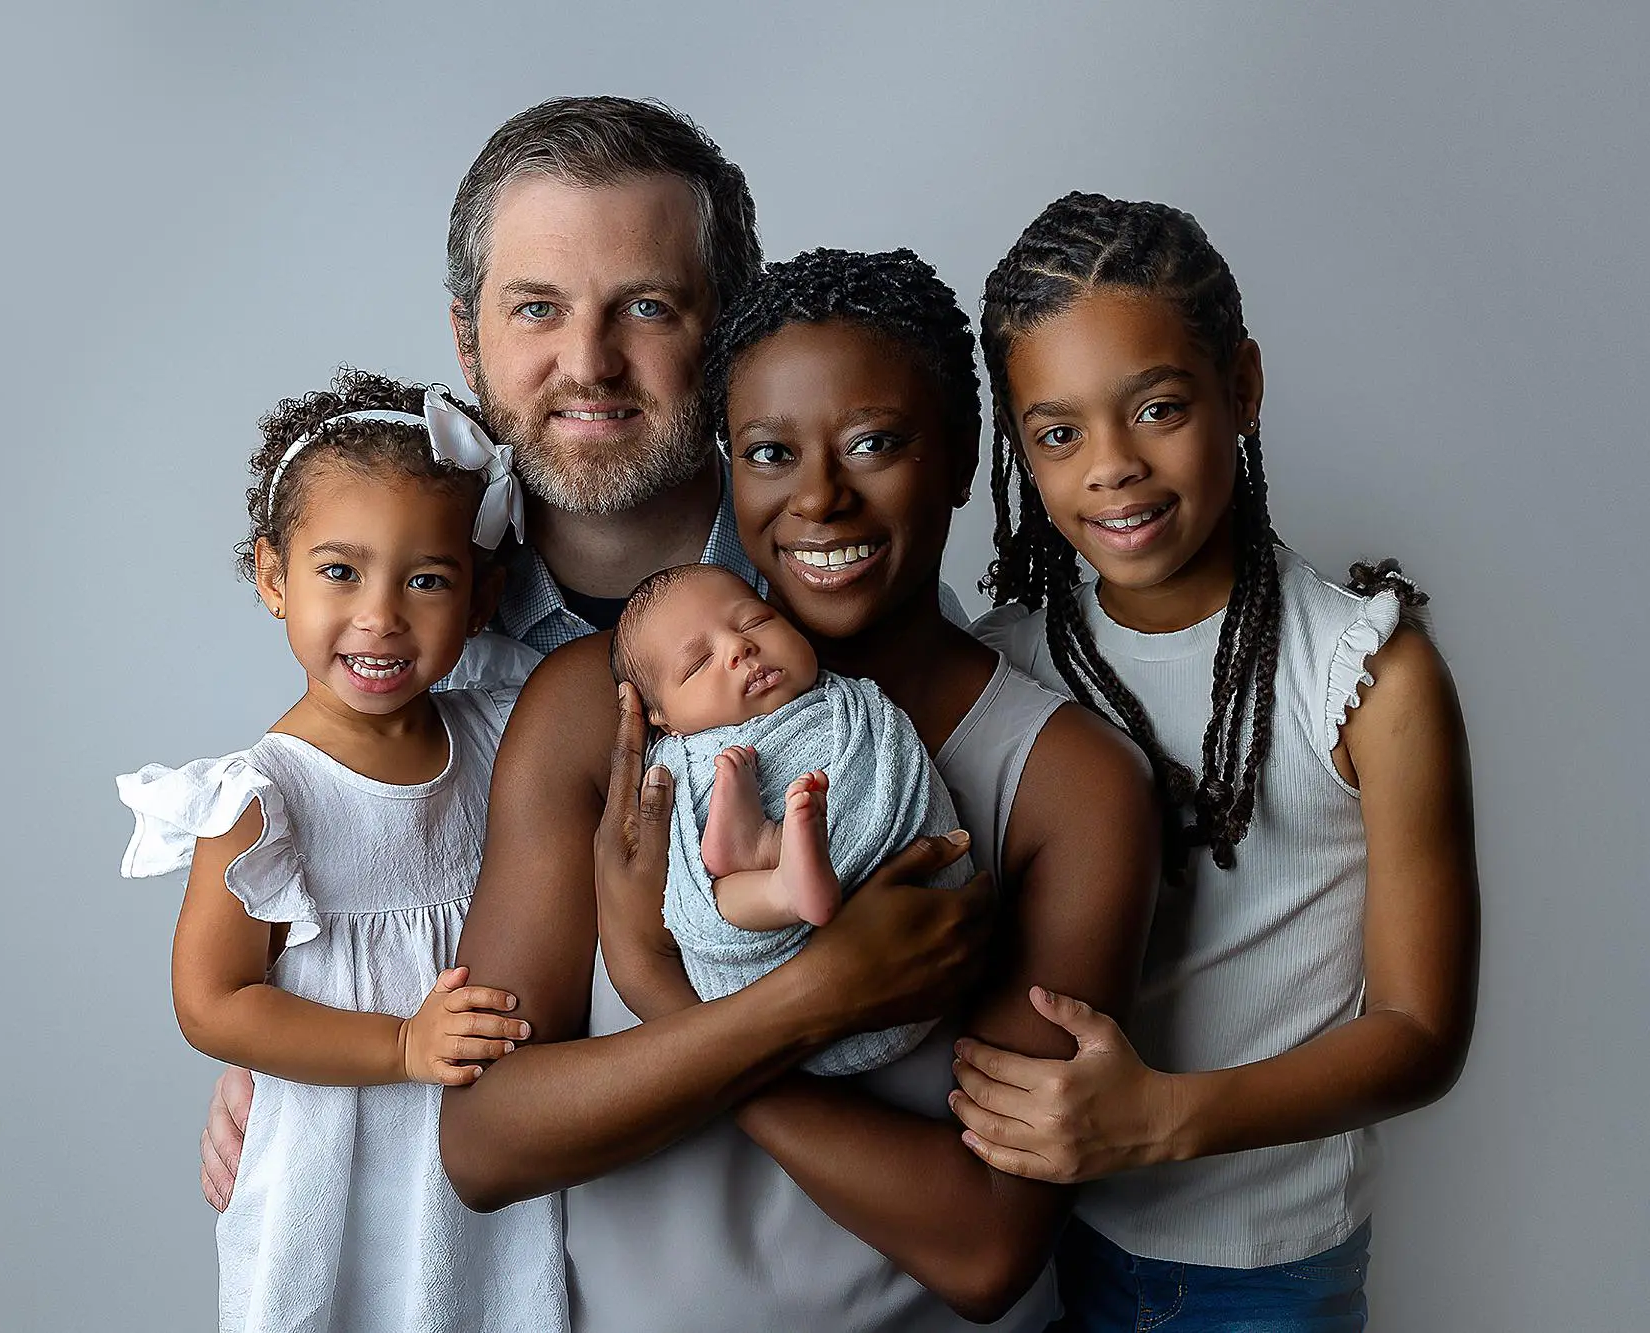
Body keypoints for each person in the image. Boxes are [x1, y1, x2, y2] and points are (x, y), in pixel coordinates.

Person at [438, 247, 1158, 1331]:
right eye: (771, 452)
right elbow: (485, 1142)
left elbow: (984, 1244)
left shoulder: (1067, 782)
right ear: (730, 466)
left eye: (874, 443)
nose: (819, 495)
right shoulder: (603, 709)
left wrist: (668, 992)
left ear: (963, 459)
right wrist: (807, 1002)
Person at [200, 94, 767, 1208]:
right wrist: (295, 1031)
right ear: (468, 338)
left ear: (729, 325)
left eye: (644, 306)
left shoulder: (827, 598)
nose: (588, 361)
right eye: (536, 308)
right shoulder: (403, 651)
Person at [954, 195, 1480, 1330]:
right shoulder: (1010, 667)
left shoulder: (1364, 676)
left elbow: (1420, 1033)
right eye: (1056, 434)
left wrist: (1161, 1118)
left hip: (1265, 1274)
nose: (1111, 468)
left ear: (1238, 386)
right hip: (1049, 1238)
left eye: (1154, 407)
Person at [118, 369, 564, 1331]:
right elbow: (211, 1000)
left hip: (477, 1152)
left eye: (427, 579)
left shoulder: (503, 735)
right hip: (332, 1156)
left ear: (483, 597)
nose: (381, 615)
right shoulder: (263, 797)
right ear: (273, 575)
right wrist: (401, 1043)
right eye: (339, 571)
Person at [610, 563, 974, 1075]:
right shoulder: (681, 762)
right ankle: (780, 885)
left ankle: (769, 852)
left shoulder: (850, 705)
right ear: (659, 717)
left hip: (926, 951)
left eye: (755, 622)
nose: (739, 649)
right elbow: (683, 900)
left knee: (741, 864)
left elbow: (895, 767)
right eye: (697, 663)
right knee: (717, 895)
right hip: (777, 997)